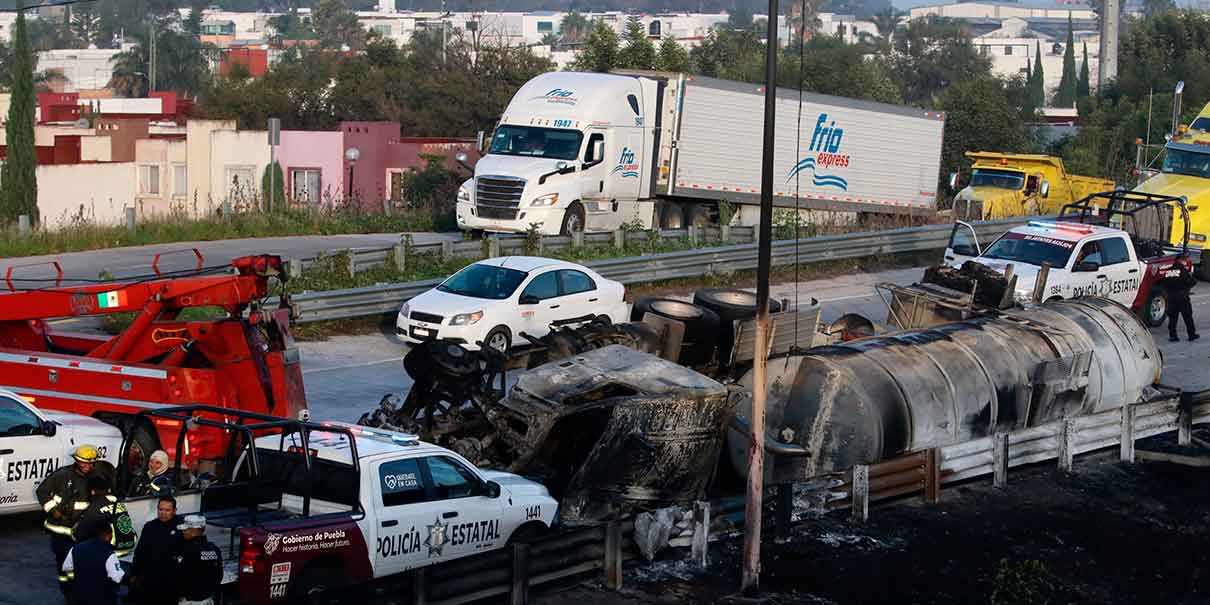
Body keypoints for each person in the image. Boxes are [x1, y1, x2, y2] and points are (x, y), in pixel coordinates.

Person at [37, 444, 99, 593]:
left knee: (81, 563)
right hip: (60, 531)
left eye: (90, 463)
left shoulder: (97, 478)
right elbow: (42, 491)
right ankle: (67, 592)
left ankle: (79, 590)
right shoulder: (63, 475)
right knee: (63, 565)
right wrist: (53, 510)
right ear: (76, 461)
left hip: (83, 531)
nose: (87, 466)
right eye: (83, 462)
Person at [130, 496, 183, 605]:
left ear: (174, 511)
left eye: (167, 510)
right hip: (151, 580)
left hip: (172, 582)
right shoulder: (150, 527)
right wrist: (134, 573)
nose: (163, 513)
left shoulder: (182, 526)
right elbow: (140, 552)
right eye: (161, 509)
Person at [62, 519, 127, 605]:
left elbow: (66, 567)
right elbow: (118, 577)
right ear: (107, 535)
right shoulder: (108, 554)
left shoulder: (75, 549)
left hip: (79, 597)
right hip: (102, 599)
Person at [74, 474, 138, 556]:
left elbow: (80, 532)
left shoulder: (97, 506)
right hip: (127, 547)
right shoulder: (117, 502)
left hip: (109, 551)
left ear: (92, 491)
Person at [175, 515, 222, 605]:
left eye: (186, 529)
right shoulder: (214, 549)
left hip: (189, 601)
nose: (183, 531)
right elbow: (219, 576)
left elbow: (179, 576)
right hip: (208, 600)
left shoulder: (187, 550)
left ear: (195, 530)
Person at [1162, 254, 1199, 342]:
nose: (1185, 262)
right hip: (1182, 297)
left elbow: (1164, 284)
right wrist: (1186, 288)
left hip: (1171, 297)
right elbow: (1192, 281)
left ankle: (1173, 336)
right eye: (1185, 260)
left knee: (1173, 318)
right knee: (1187, 316)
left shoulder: (1168, 271)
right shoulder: (1183, 270)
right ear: (1181, 260)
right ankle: (1191, 335)